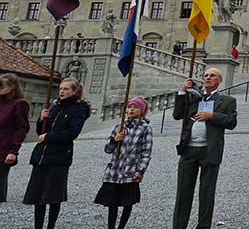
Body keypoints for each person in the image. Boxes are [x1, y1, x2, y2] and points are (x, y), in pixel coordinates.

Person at [172, 68, 237, 229]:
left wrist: (212, 116)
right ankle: (179, 226)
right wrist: (182, 91)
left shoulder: (227, 100)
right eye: (206, 76)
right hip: (189, 149)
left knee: (206, 193)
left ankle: (203, 226)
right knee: (183, 192)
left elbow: (231, 122)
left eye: (212, 76)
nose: (208, 78)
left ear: (219, 80)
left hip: (210, 150)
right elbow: (177, 114)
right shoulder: (194, 98)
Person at [23, 77, 91, 229]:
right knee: (38, 196)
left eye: (66, 89)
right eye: (61, 88)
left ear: (75, 92)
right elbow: (41, 131)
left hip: (59, 157)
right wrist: (42, 120)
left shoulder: (78, 109)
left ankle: (51, 226)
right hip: (41, 156)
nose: (62, 91)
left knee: (53, 196)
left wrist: (49, 137)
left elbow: (72, 133)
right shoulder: (54, 107)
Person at [94, 97, 153, 229]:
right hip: (115, 170)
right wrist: (114, 140)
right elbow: (108, 149)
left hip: (131, 171)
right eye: (129, 107)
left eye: (135, 107)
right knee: (112, 202)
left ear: (141, 111)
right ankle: (111, 226)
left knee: (128, 202)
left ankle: (121, 226)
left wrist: (140, 170)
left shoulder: (145, 129)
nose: (131, 109)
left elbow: (146, 151)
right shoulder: (119, 126)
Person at [0, 73, 29, 203]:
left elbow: (22, 128)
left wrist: (13, 151)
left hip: (4, 149)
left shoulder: (19, 104)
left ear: (12, 87)